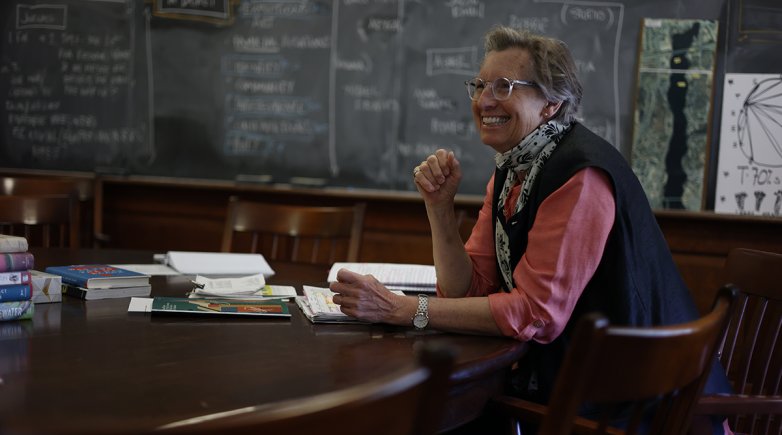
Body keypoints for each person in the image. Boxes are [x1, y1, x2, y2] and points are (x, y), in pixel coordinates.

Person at [330, 26, 730, 433]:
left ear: (551, 104)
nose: (485, 100)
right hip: (572, 390)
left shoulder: (580, 175)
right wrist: (439, 210)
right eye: (480, 85)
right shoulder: (515, 167)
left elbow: (537, 314)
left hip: (633, 411)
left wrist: (404, 309)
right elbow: (467, 289)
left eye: (504, 86)